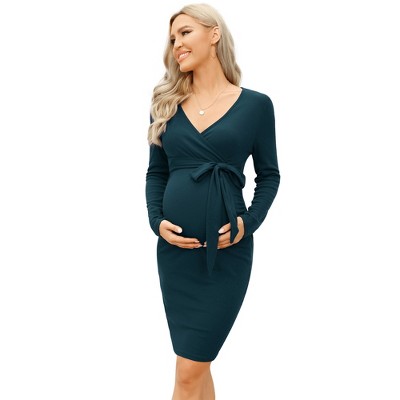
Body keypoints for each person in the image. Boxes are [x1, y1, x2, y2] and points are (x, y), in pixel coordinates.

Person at [145, 3, 280, 399]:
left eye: (185, 33)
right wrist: (157, 221)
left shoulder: (256, 105)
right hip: (176, 256)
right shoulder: (164, 104)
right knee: (196, 369)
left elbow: (269, 175)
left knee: (189, 370)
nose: (176, 44)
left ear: (214, 34)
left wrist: (248, 223)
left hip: (225, 254)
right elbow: (156, 173)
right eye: (173, 38)